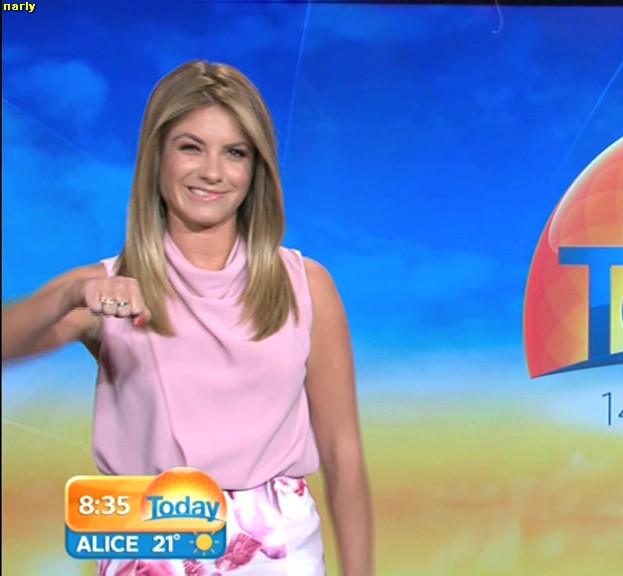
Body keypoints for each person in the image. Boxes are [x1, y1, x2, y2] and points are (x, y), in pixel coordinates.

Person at [1, 60, 374, 576]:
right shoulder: (106, 289)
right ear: (156, 157)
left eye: (235, 152)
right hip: (147, 542)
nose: (212, 172)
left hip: (278, 553)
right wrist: (68, 297)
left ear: (256, 168)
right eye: (191, 147)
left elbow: (342, 452)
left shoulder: (305, 286)